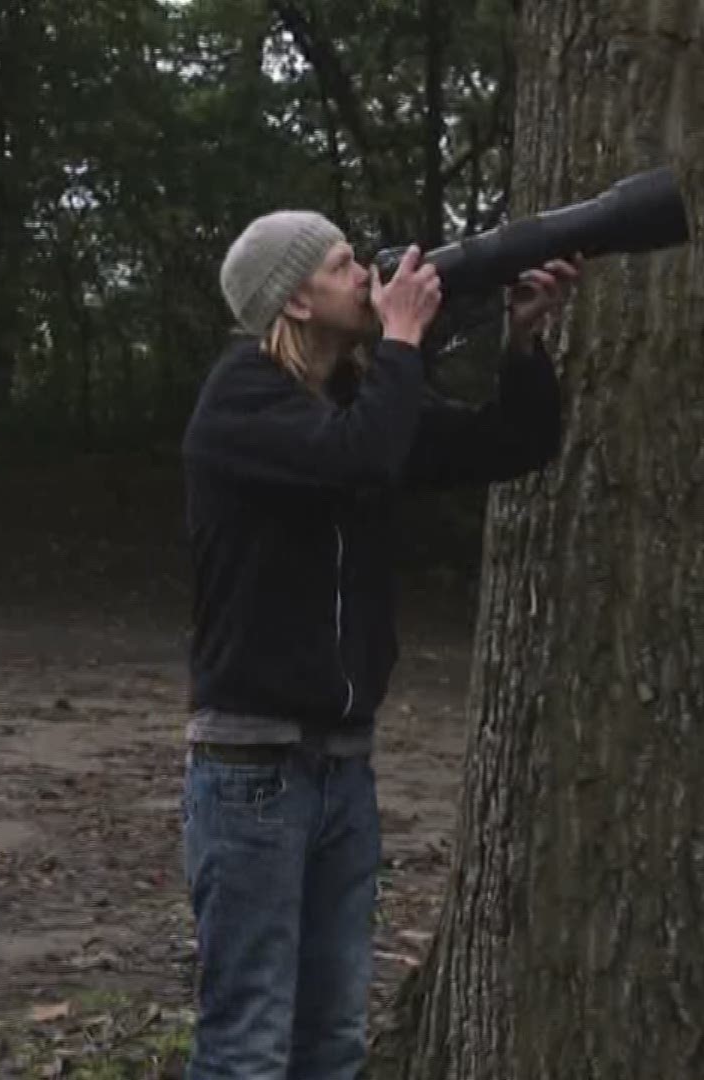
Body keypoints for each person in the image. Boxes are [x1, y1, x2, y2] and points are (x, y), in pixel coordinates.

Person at [178, 207, 579, 1080]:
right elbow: (355, 460)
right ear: (293, 304)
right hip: (253, 773)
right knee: (246, 1043)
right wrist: (402, 338)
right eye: (342, 264)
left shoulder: (362, 400)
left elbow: (509, 445)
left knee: (332, 1041)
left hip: (342, 770)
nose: (367, 274)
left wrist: (521, 347)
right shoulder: (239, 398)